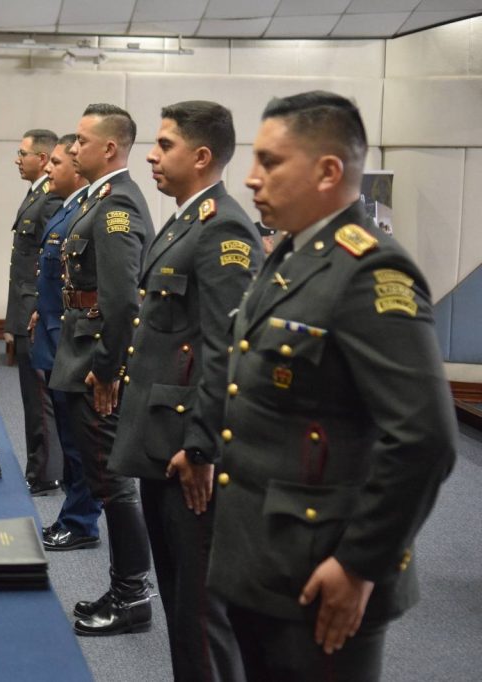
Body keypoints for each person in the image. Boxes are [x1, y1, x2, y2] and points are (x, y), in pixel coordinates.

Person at [207, 91, 457, 681]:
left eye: (270, 162)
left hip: (321, 572)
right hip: (263, 556)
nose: (251, 177)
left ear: (327, 171)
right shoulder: (291, 254)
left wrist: (359, 564)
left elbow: (424, 438)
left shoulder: (370, 271)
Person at [109, 100, 261, 681]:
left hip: (189, 452)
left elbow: (228, 350)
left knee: (199, 614)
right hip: (162, 440)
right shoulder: (183, 221)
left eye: (165, 145)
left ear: (201, 157)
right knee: (178, 601)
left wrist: (202, 446)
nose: (151, 155)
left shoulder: (223, 228)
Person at [48, 104, 156, 636]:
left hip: (97, 363)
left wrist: (109, 370)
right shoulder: (98, 199)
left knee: (114, 484)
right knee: (104, 478)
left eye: (82, 141)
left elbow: (122, 300)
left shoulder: (118, 206)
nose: (73, 149)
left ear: (109, 149)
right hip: (83, 350)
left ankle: (131, 593)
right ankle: (127, 589)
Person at [28, 133, 103, 552]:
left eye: (57, 162)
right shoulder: (68, 209)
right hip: (55, 332)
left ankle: (81, 520)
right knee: (67, 434)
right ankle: (72, 515)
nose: (49, 168)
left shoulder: (87, 211)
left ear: (77, 168)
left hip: (70, 339)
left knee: (78, 442)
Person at [6, 128, 64, 495]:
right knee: (32, 396)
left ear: (41, 159)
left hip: (36, 311)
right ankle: (41, 467)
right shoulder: (36, 196)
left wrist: (39, 311)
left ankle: (45, 472)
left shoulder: (50, 200)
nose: (17, 159)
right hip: (25, 307)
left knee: (40, 398)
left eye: (22, 153)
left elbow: (50, 264)